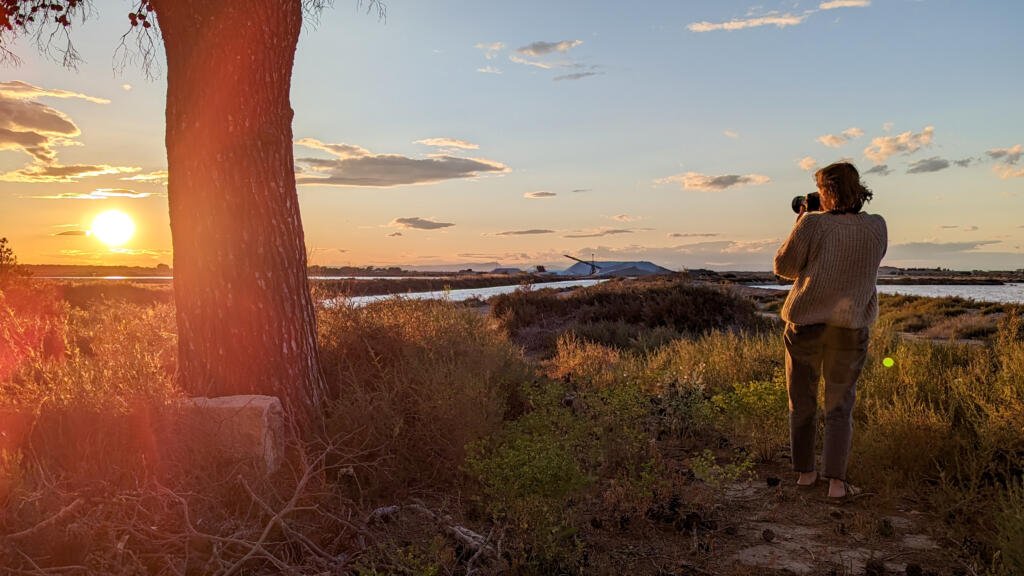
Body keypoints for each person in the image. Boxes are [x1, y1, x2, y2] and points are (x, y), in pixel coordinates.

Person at [773, 161, 887, 499]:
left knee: (802, 400)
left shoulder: (811, 224)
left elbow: (784, 267)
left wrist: (801, 222)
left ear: (825, 192)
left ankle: (806, 474)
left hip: (806, 326)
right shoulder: (877, 226)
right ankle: (837, 483)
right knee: (840, 406)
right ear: (858, 190)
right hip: (850, 328)